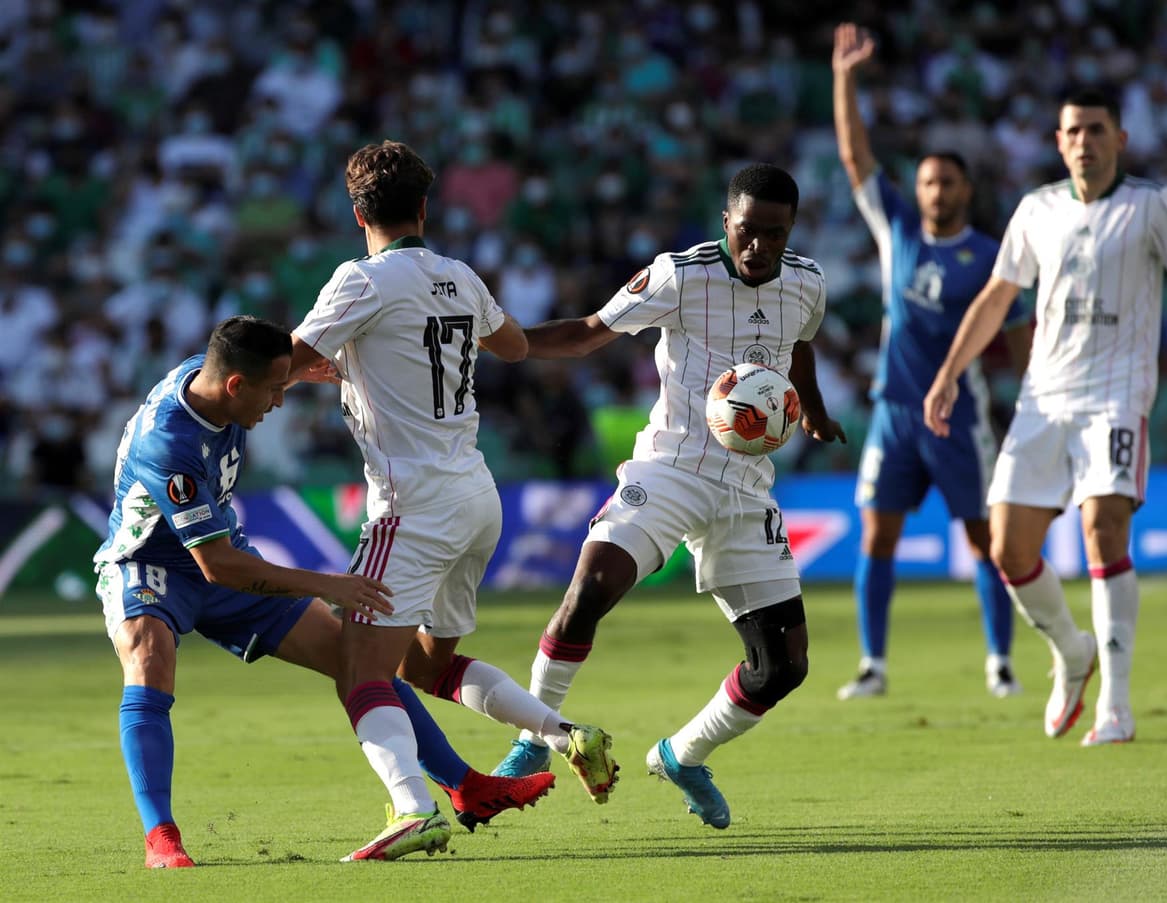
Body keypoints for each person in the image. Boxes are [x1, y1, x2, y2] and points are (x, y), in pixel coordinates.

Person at [93, 316, 556, 869]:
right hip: (150, 563)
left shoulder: (215, 376)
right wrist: (329, 583)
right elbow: (217, 566)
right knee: (149, 658)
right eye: (274, 390)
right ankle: (161, 838)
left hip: (221, 550)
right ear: (237, 387)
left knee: (354, 658)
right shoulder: (169, 443)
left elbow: (253, 361)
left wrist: (301, 371)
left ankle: (465, 787)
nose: (279, 402)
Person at [287, 141, 619, 859]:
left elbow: (285, 359)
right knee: (426, 670)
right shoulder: (460, 276)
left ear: (357, 215)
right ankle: (564, 734)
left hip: (410, 504)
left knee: (359, 667)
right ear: (425, 209)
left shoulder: (359, 281)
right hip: (476, 493)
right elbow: (515, 348)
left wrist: (327, 369)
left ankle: (413, 806)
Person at [491, 163, 847, 829]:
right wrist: (504, 341)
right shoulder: (680, 275)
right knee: (591, 587)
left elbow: (800, 346)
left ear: (791, 230)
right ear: (725, 221)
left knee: (784, 665)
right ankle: (533, 738)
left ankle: (683, 754)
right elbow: (590, 331)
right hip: (670, 469)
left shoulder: (808, 281)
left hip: (747, 488)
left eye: (774, 234)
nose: (759, 247)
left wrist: (817, 411)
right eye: (748, 231)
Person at [924, 89, 1167, 746]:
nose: (1083, 141)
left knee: (1104, 526)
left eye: (1095, 129)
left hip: (1116, 394)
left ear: (1119, 136)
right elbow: (998, 295)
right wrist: (948, 373)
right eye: (1072, 131)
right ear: (1058, 143)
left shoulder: (1152, 205)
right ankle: (1072, 650)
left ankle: (1116, 705)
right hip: (1043, 398)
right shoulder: (1037, 209)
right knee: (1006, 547)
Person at [831, 22, 1032, 700]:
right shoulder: (897, 230)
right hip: (894, 411)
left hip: (962, 411)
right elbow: (857, 158)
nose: (935, 191)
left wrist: (1033, 398)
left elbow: (1019, 333)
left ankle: (1000, 661)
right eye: (926, 181)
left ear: (966, 189)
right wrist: (844, 78)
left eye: (946, 181)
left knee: (984, 538)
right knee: (876, 534)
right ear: (914, 190)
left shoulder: (991, 254)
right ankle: (873, 665)